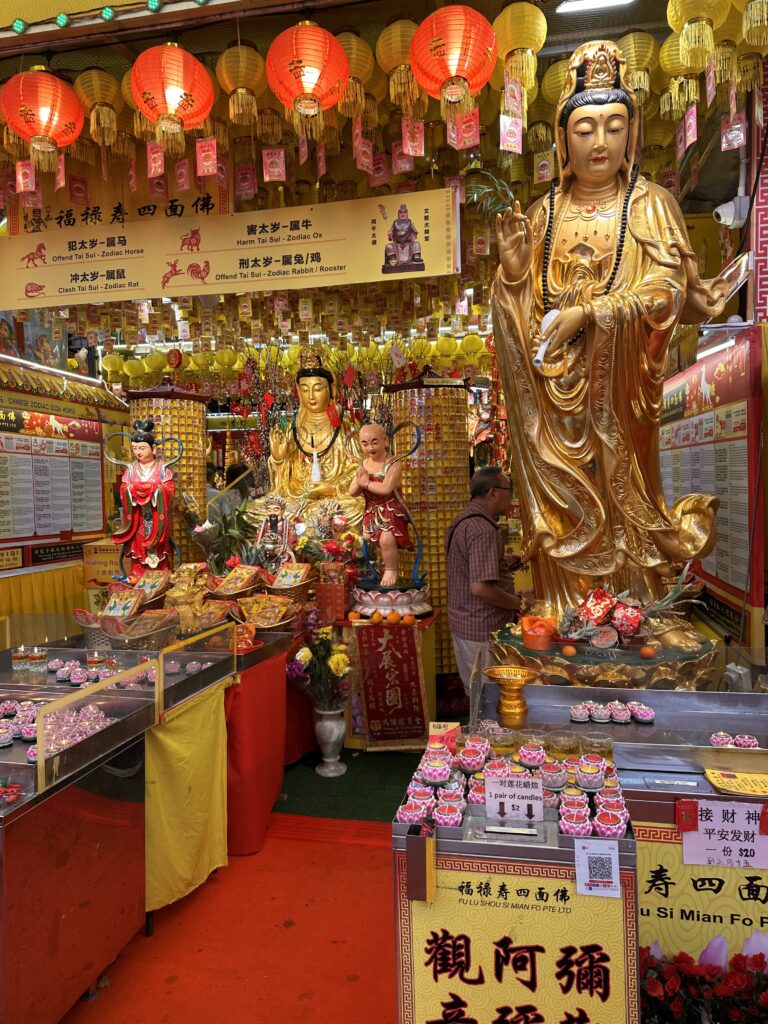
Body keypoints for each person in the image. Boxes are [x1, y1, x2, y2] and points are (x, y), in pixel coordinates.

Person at [492, 39, 731, 616]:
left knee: (623, 492)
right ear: (563, 140)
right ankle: (563, 610)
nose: (600, 141)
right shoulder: (542, 215)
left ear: (632, 134)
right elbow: (523, 313)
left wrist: (596, 312)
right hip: (556, 399)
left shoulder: (650, 204)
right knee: (564, 505)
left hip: (622, 389)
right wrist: (515, 275)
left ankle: (632, 610)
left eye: (614, 126)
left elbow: (668, 290)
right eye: (585, 128)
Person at [446, 467, 524, 718]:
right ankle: (484, 739)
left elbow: (468, 567)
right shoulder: (482, 530)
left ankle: (480, 736)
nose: (510, 497)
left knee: (477, 693)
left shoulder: (462, 521)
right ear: (493, 493)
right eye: (508, 491)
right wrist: (517, 603)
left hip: (465, 622)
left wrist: (500, 564)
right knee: (487, 698)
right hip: (481, 628)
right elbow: (480, 587)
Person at [265, 349, 362, 528]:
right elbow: (280, 486)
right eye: (304, 389)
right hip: (296, 498)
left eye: (317, 389)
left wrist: (334, 488)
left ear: (331, 389)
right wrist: (278, 459)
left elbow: (359, 468)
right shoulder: (292, 428)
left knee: (356, 510)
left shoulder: (345, 425)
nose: (311, 396)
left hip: (334, 498)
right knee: (255, 512)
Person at [349, 423, 411, 587]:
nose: (370, 448)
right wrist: (359, 483)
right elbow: (352, 492)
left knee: (386, 538)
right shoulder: (363, 464)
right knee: (367, 537)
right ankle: (383, 561)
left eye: (374, 442)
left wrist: (367, 483)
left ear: (385, 441)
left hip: (391, 508)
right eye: (365, 444)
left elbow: (386, 489)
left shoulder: (393, 463)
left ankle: (391, 569)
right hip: (372, 509)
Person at [111, 419, 175, 577]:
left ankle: (161, 577)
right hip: (138, 518)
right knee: (138, 549)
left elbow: (169, 490)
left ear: (153, 448)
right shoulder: (131, 469)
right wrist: (132, 490)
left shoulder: (162, 469)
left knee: (159, 551)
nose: (138, 452)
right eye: (135, 448)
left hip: (156, 517)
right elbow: (123, 488)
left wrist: (156, 490)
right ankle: (138, 576)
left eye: (142, 448)